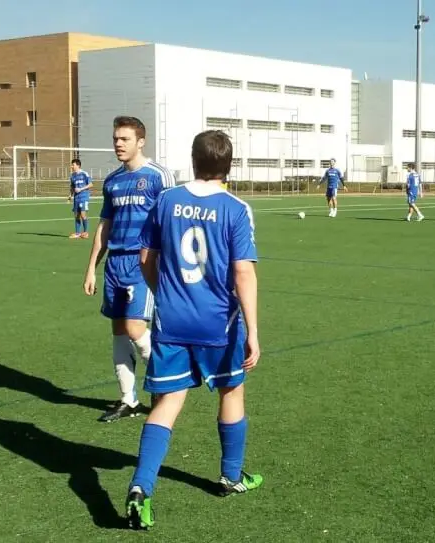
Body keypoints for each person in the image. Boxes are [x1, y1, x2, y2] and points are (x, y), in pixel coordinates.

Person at [124, 130, 262, 530]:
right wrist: (253, 330)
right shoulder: (237, 208)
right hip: (219, 323)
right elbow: (242, 271)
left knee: (166, 405)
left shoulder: (167, 200)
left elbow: (146, 256)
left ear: (193, 159)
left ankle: (141, 487)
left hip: (171, 321)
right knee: (231, 390)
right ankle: (230, 478)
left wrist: (163, 293)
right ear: (229, 164)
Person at [83, 116, 176, 423]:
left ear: (140, 141)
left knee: (136, 328)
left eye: (124, 139)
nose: (118, 144)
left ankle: (166, 384)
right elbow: (104, 226)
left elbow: (171, 221)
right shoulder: (112, 181)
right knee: (119, 330)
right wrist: (91, 268)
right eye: (115, 139)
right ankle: (129, 400)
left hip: (143, 261)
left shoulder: (158, 176)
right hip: (115, 264)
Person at [68, 159, 93, 239]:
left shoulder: (84, 173)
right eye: (72, 165)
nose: (72, 166)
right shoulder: (72, 176)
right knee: (76, 215)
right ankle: (78, 233)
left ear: (78, 165)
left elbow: (90, 184)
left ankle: (85, 232)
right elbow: (72, 187)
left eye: (73, 165)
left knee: (83, 214)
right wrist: (70, 195)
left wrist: (81, 189)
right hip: (76, 198)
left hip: (84, 197)